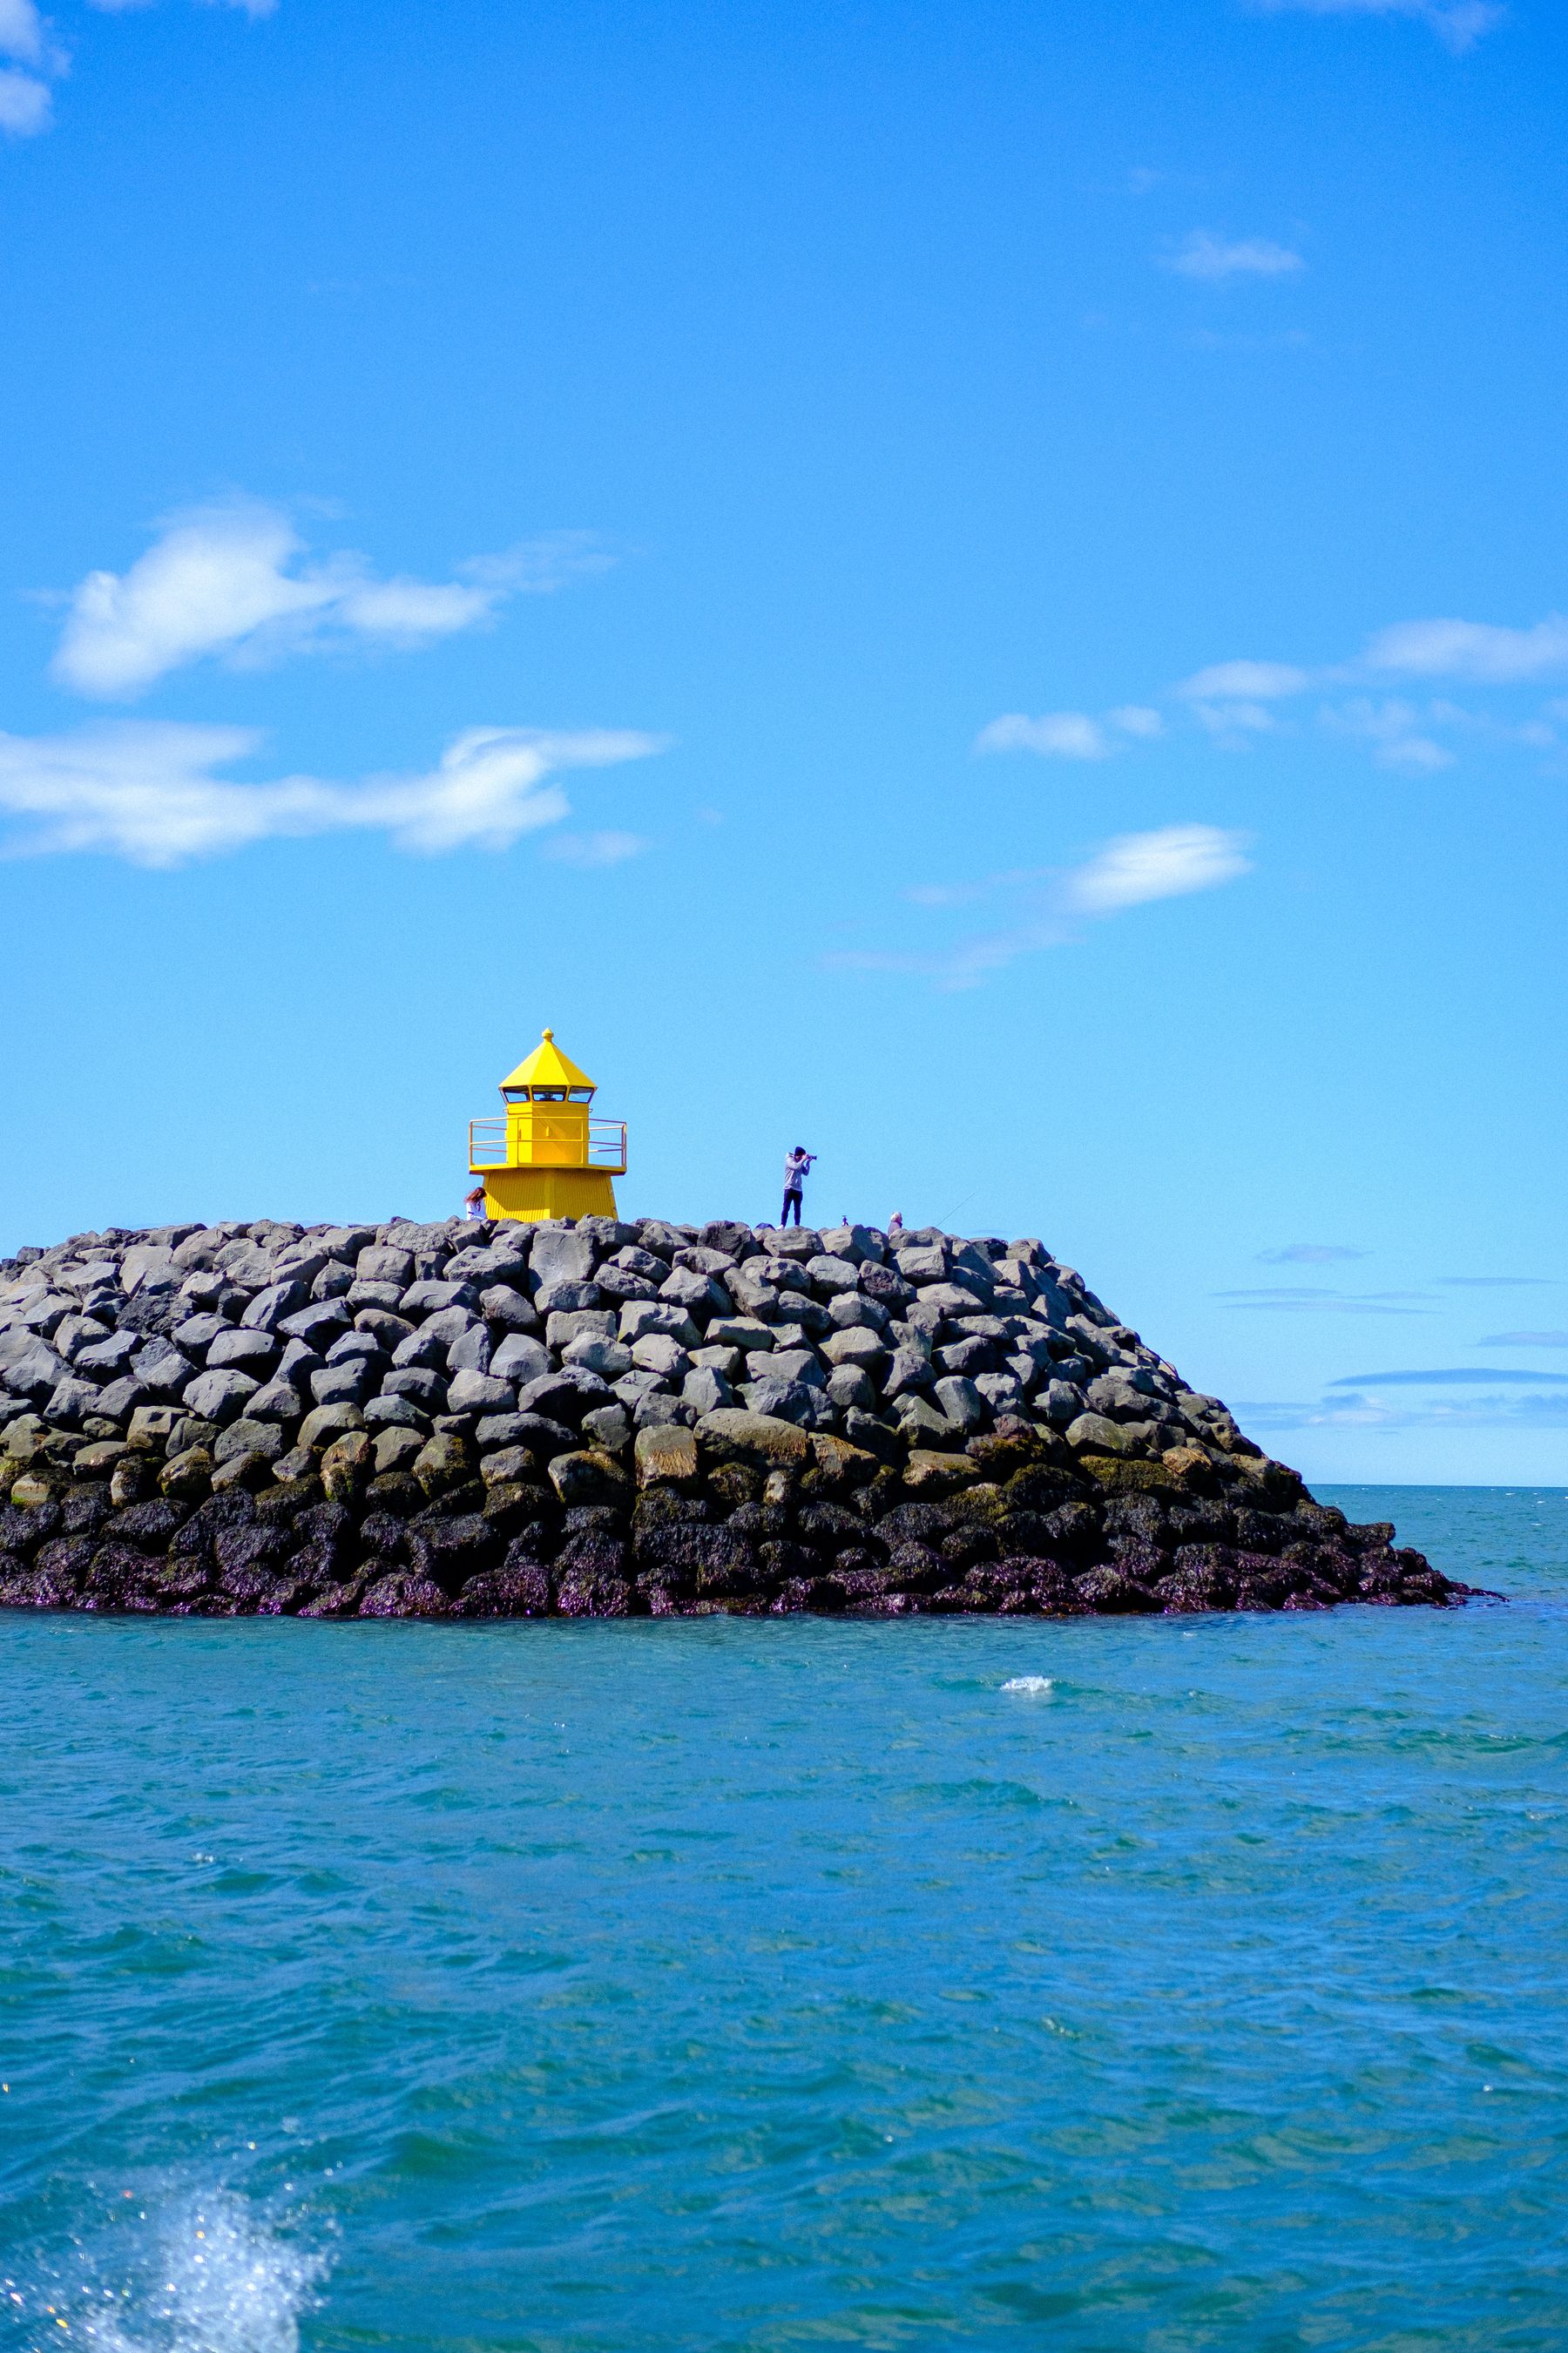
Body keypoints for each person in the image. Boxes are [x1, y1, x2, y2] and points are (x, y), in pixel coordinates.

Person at [780, 1146, 815, 1227]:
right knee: (786, 1207)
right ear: (798, 1155)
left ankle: (797, 1225)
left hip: (798, 1189)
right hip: (789, 1187)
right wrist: (803, 1159)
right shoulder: (790, 1160)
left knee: (797, 1209)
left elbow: (806, 1173)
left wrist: (808, 1163)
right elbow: (796, 1167)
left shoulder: (800, 1162)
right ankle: (782, 1225)